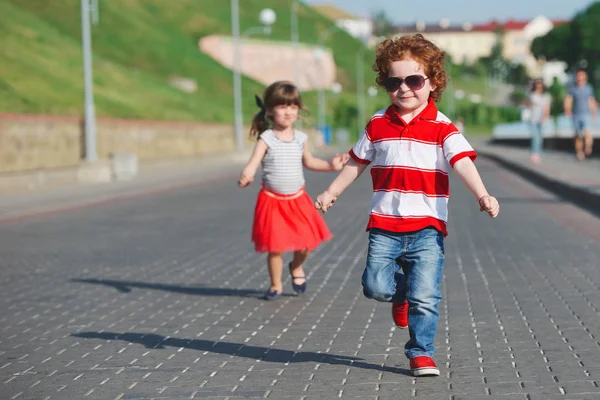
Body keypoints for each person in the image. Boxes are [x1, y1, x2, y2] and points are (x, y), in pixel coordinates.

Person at [314, 34, 499, 377]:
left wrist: (483, 194)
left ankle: (421, 353)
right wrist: (331, 192)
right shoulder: (377, 124)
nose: (404, 88)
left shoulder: (443, 127)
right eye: (393, 81)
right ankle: (399, 293)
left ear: (432, 82)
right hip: (384, 226)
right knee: (375, 287)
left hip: (427, 227)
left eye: (414, 80)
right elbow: (356, 162)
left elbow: (462, 162)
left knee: (426, 296)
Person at [238, 80, 348, 300]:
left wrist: (330, 166)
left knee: (306, 244)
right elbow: (254, 161)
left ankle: (296, 267)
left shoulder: (301, 138)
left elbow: (310, 161)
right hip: (272, 200)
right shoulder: (266, 138)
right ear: (270, 110)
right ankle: (275, 285)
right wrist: (247, 173)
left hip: (298, 199)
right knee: (275, 247)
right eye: (282, 106)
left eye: (293, 107)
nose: (288, 112)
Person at [564, 68, 597, 160]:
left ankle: (588, 147)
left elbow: (591, 101)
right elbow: (568, 99)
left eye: (582, 75)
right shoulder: (573, 89)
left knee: (587, 132)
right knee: (578, 135)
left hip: (586, 113)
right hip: (576, 114)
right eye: (578, 75)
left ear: (585, 77)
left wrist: (594, 113)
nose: (580, 77)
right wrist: (567, 109)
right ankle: (579, 152)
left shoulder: (589, 88)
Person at [527, 79, 550, 164]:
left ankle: (537, 153)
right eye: (537, 84)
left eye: (540, 84)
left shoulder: (545, 96)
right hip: (533, 119)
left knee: (540, 138)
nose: (539, 86)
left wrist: (546, 117)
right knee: (535, 137)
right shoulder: (532, 95)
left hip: (541, 119)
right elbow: (528, 105)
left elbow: (547, 107)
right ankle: (534, 153)